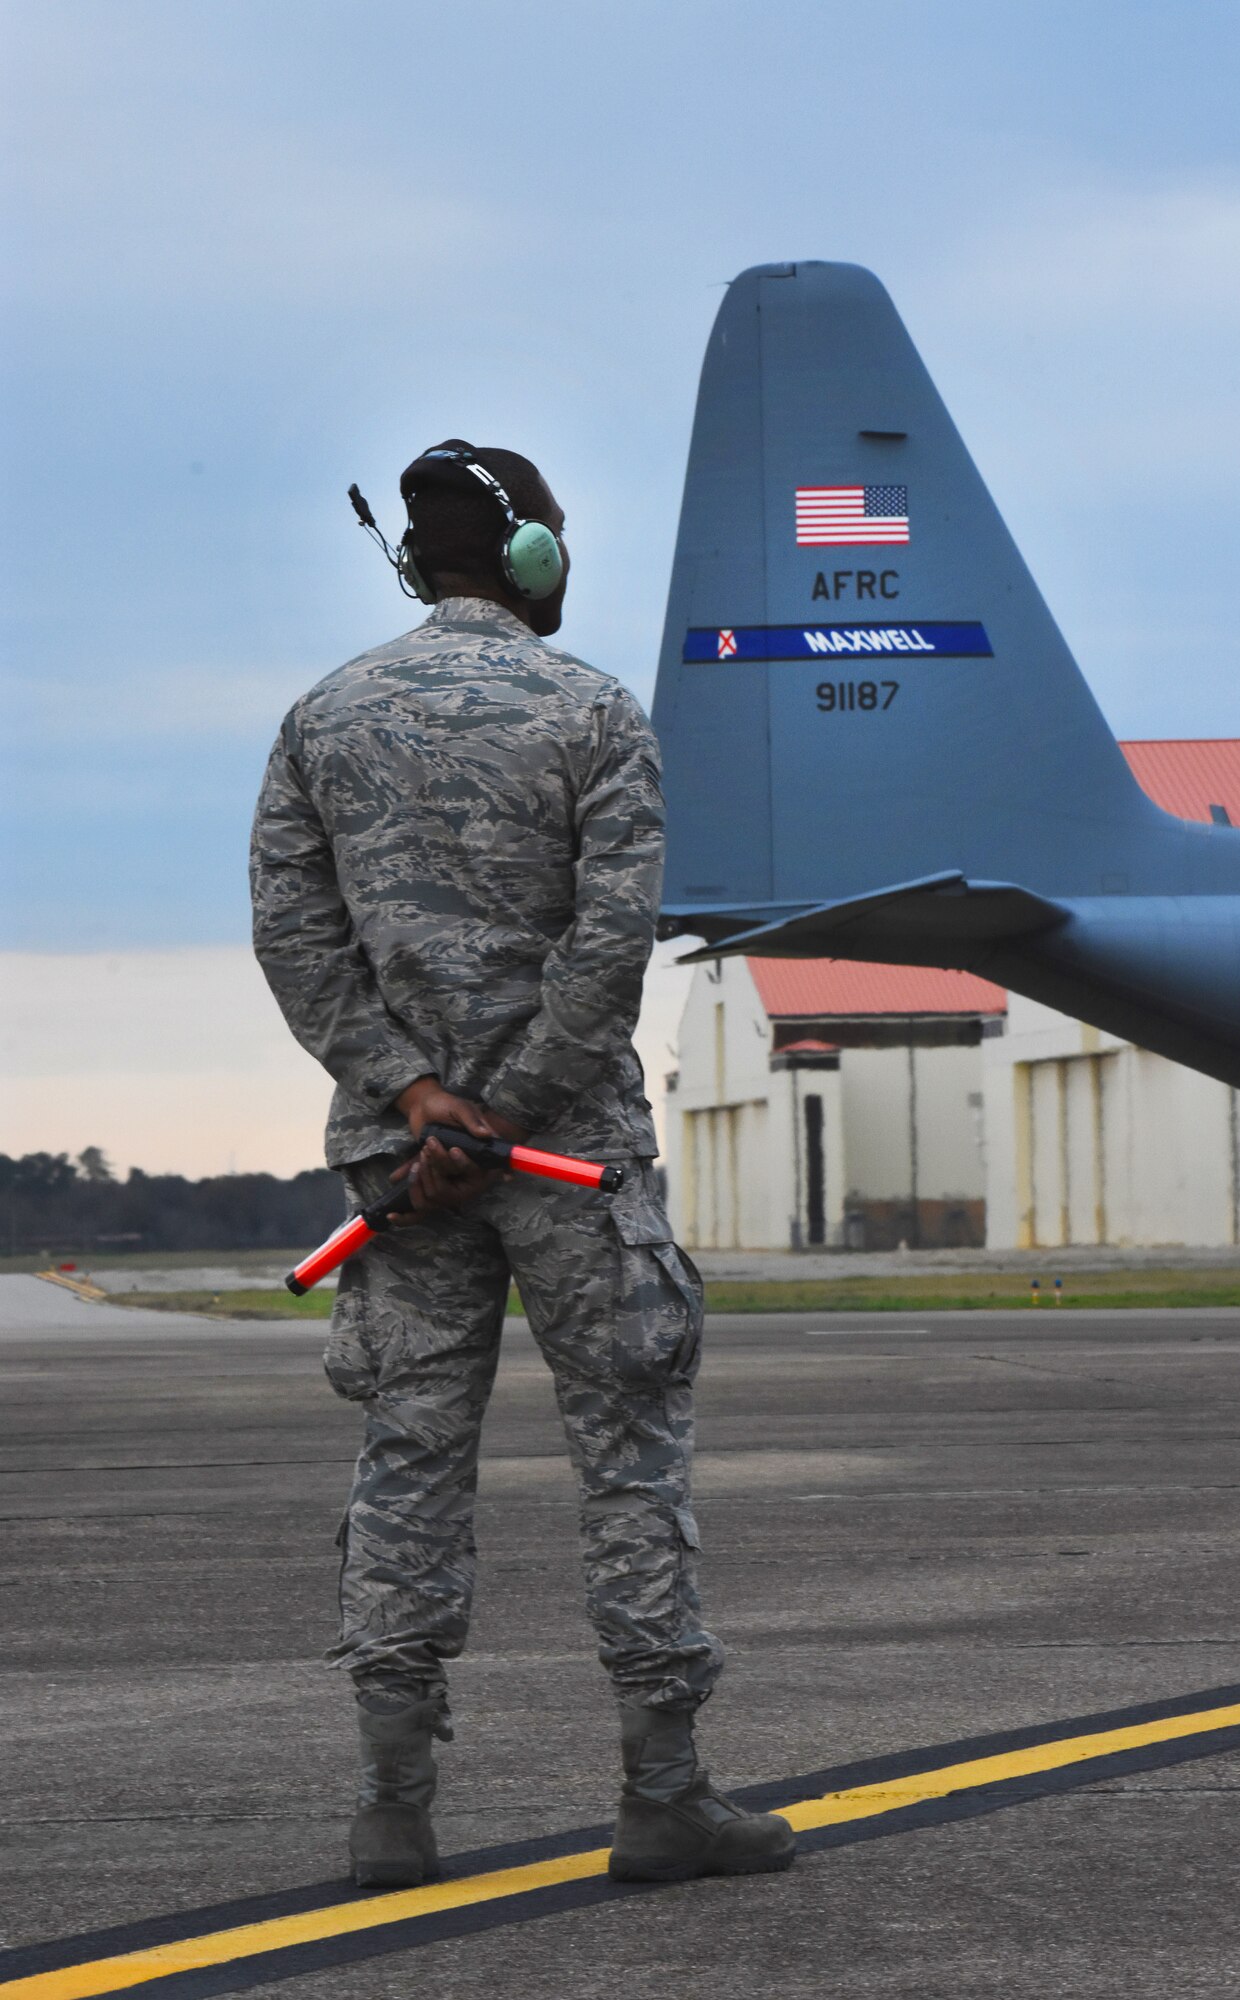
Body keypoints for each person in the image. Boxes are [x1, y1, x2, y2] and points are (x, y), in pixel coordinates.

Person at [249, 440, 794, 1890]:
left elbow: (294, 941)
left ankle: (389, 1812)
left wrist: (422, 1101)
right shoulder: (594, 709)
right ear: (534, 557)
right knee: (629, 1466)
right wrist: (511, 1109)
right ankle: (663, 1795)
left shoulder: (322, 719)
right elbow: (609, 946)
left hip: (401, 1171)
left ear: (413, 563)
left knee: (408, 1466)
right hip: (571, 1161)